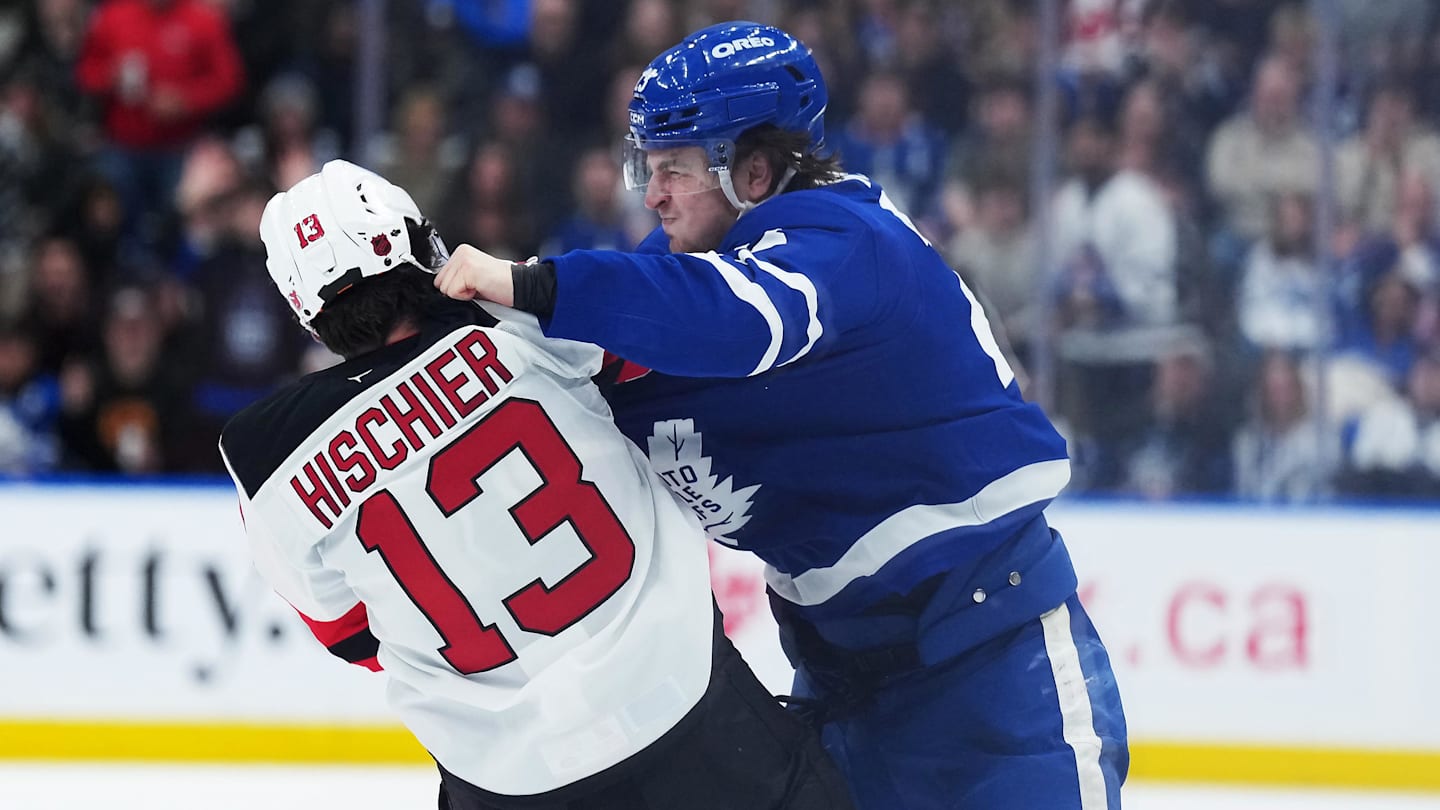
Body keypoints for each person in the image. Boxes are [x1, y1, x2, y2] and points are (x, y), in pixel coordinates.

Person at [433, 20, 1128, 810]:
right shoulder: (678, 281)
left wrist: (533, 285)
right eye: (645, 168)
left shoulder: (845, 241)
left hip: (997, 677)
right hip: (841, 687)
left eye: (674, 170)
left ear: (754, 173)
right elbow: (580, 368)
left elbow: (739, 322)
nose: (652, 194)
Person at [218, 159, 854, 810]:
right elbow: (674, 333)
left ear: (306, 313)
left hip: (506, 782)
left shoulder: (266, 459)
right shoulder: (515, 312)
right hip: (688, 713)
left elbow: (353, 638)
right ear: (416, 243)